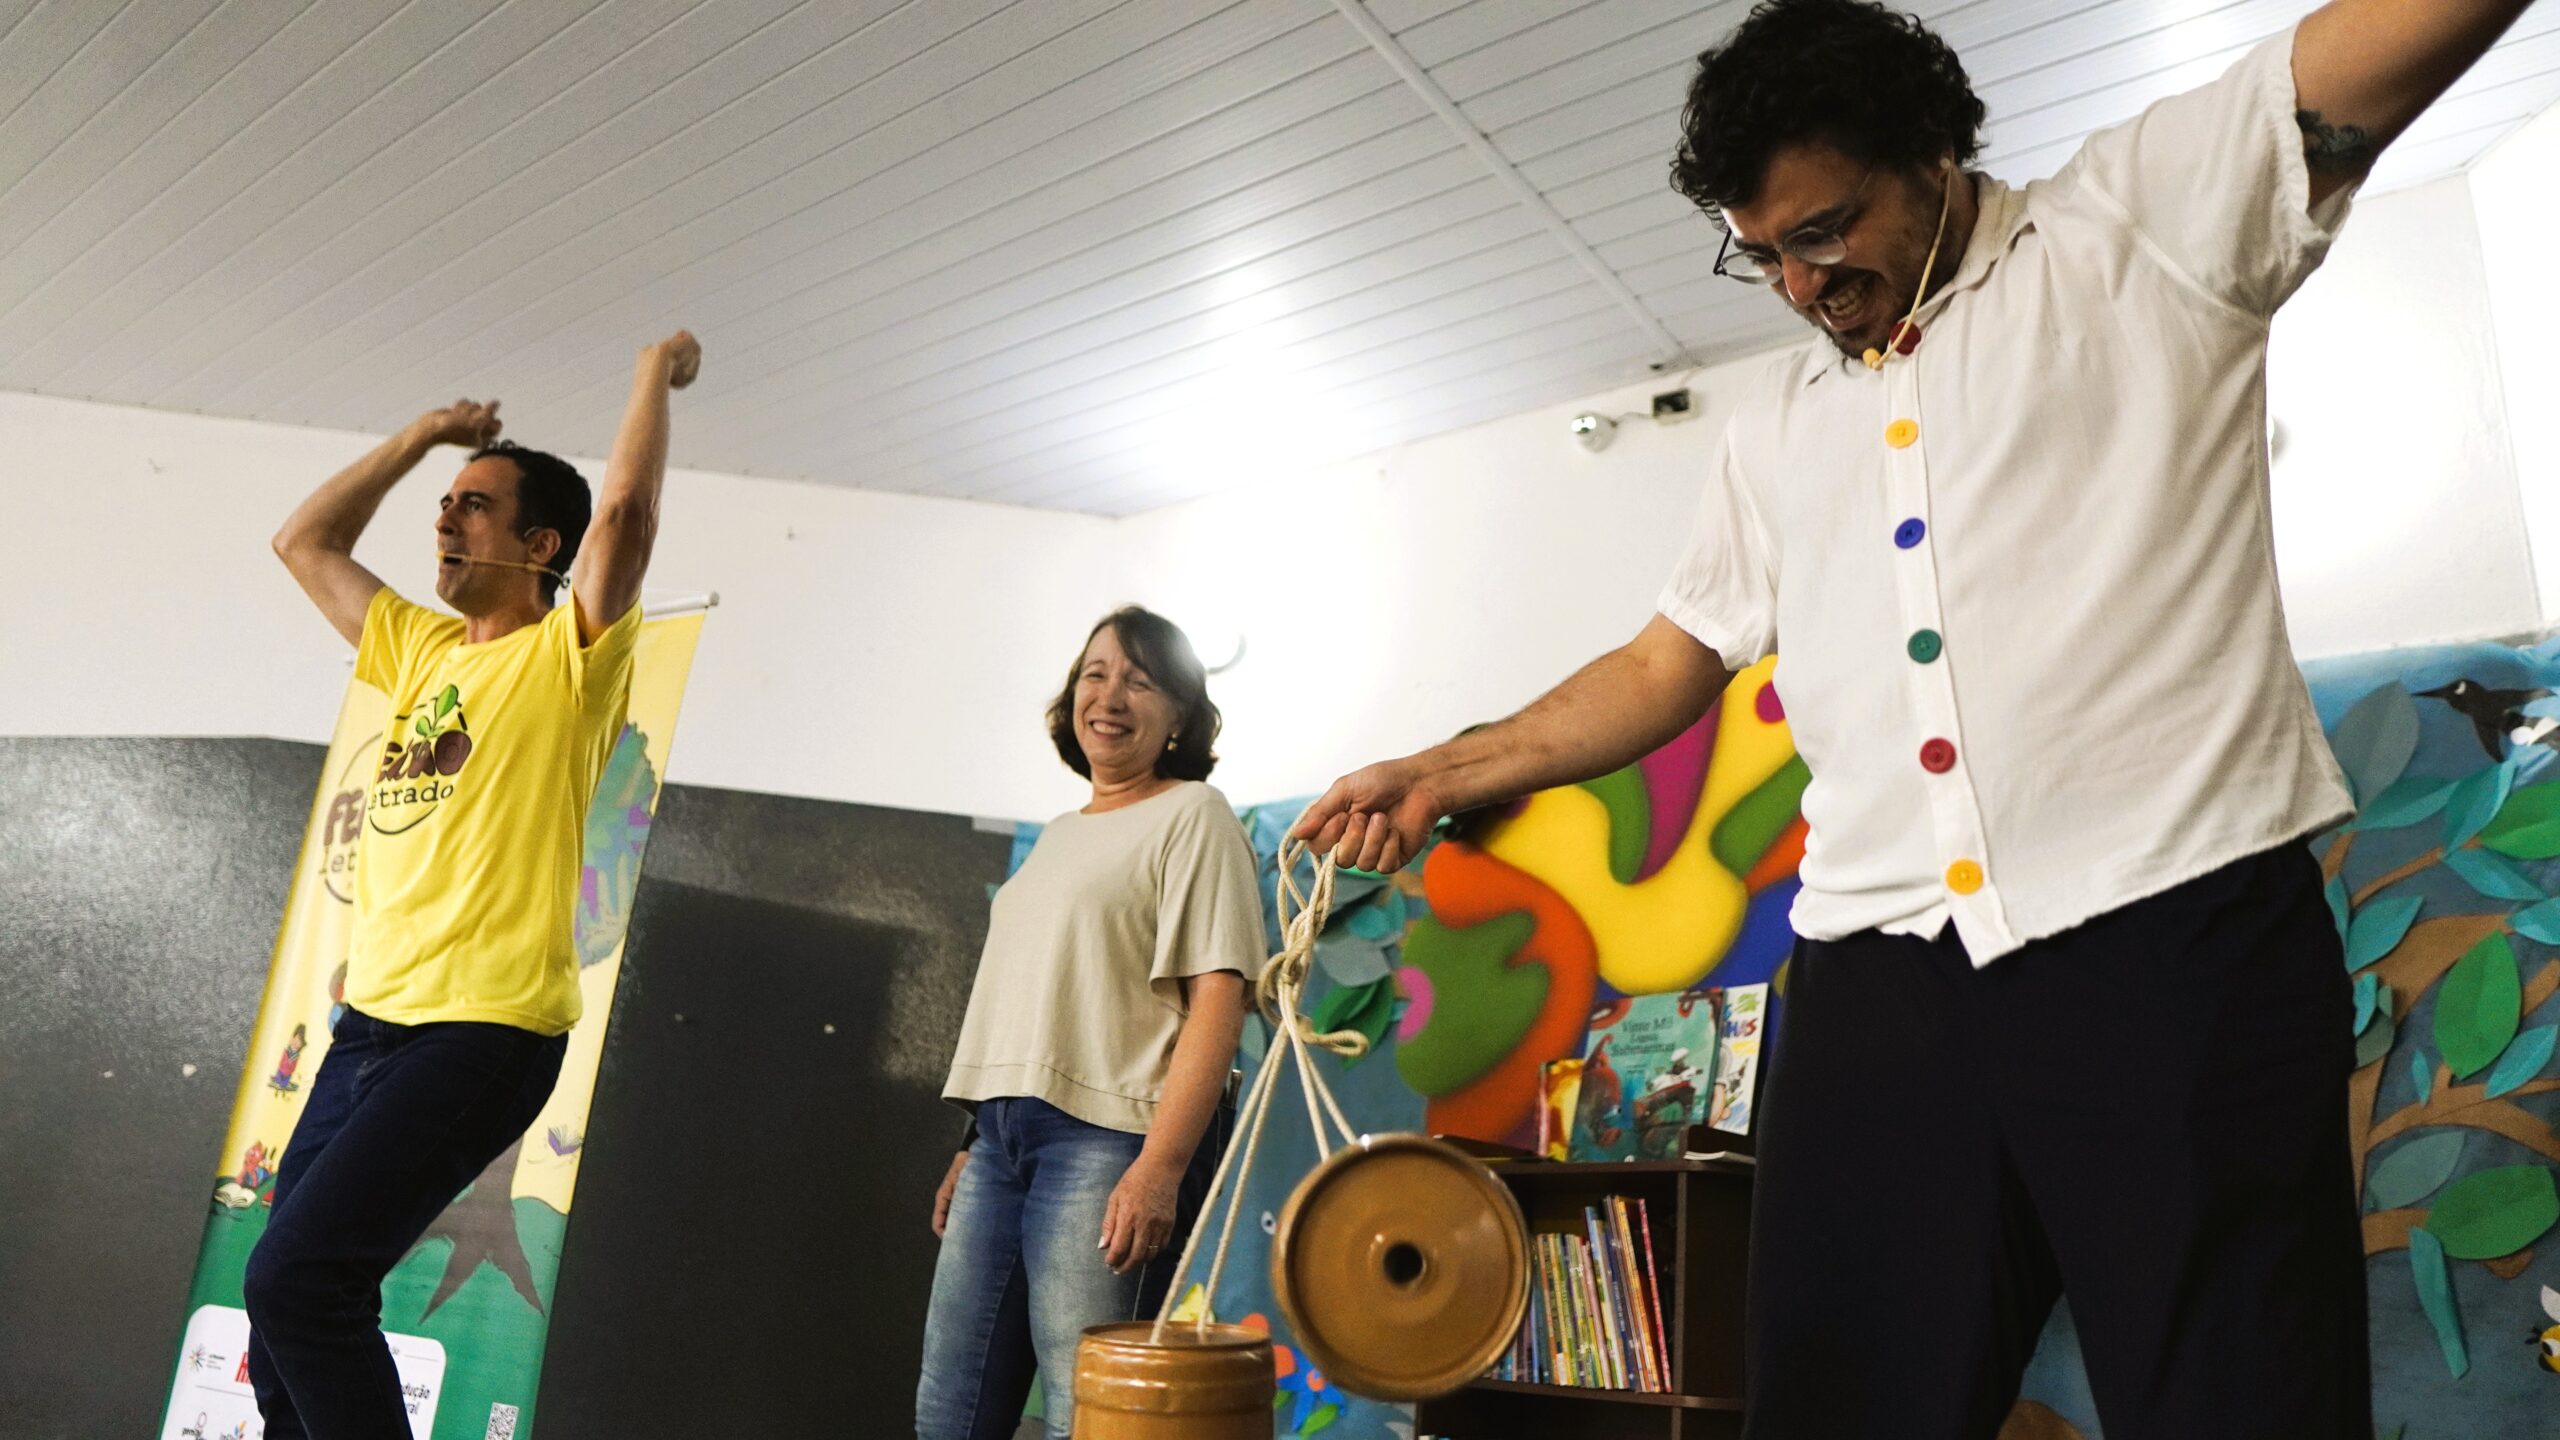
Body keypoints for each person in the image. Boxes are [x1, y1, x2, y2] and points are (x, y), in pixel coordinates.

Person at [1293, 3, 2537, 1436]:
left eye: (1824, 232)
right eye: (1760, 254)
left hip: (2171, 936)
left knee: (2239, 1403)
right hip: (1879, 985)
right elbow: (1662, 663)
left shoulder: (2136, 227)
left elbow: (2369, 51)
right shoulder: (1775, 428)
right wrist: (1437, 771)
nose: (1799, 286)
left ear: (1934, 152)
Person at [250, 331, 700, 1437]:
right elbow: (304, 541)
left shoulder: (570, 652)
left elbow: (627, 512)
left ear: (542, 547)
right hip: (370, 1029)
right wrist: (423, 437)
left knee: (300, 1283)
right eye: (443, 506)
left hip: (483, 1031)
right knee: (285, 1313)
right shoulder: (417, 648)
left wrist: (650, 366)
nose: (446, 522)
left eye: (476, 507)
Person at [919, 607, 1264, 1440]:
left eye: (1139, 681)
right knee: (949, 1420)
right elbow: (1039, 1005)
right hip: (1000, 1142)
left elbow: (1218, 1003)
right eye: (1095, 674)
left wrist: (1160, 1169)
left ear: (1179, 715)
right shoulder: (1059, 835)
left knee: (1094, 1422)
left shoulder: (1196, 814)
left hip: (1111, 1144)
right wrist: (974, 1143)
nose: (1109, 696)